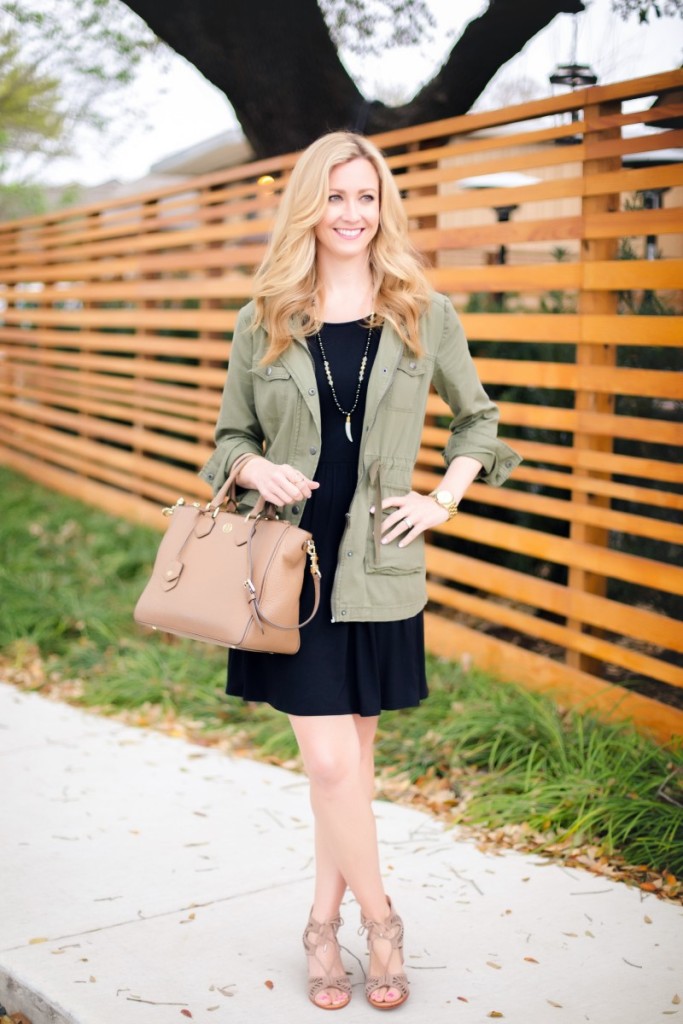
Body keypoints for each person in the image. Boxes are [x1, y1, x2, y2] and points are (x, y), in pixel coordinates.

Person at [200, 131, 520, 1012]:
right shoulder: (262, 317)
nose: (350, 214)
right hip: (289, 571)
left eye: (365, 197)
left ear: (382, 208)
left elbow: (479, 424)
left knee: (346, 772)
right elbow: (227, 441)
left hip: (379, 569)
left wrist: (442, 502)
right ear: (308, 204)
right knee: (334, 768)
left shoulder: (423, 313)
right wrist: (251, 469)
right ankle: (382, 924)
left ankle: (318, 922)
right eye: (334, 197)